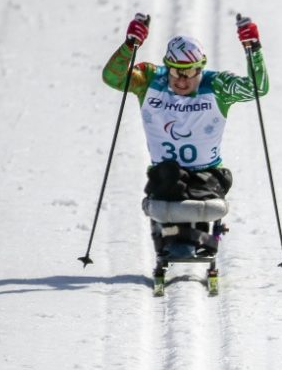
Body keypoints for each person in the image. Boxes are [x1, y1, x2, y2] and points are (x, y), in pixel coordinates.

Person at [102, 13, 269, 255]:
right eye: (175, 71)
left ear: (200, 68)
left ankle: (197, 237)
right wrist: (130, 44)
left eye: (189, 72)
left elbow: (257, 88)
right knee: (169, 180)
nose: (181, 80)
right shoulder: (149, 79)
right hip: (165, 174)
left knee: (194, 194)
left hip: (208, 174)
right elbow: (112, 77)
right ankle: (176, 237)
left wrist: (253, 49)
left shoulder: (217, 85)